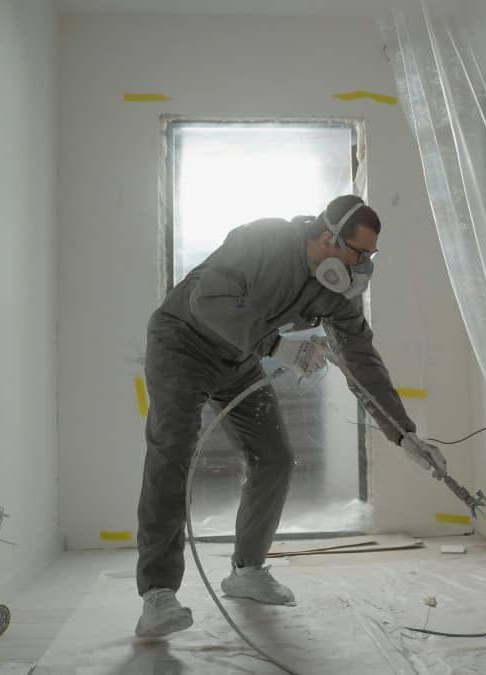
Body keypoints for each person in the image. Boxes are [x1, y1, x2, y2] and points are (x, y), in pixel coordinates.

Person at [134, 194, 447, 637]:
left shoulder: (334, 291)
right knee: (173, 453)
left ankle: (246, 572)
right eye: (359, 254)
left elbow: (362, 359)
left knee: (274, 457)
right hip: (182, 343)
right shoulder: (262, 239)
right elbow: (209, 300)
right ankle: (158, 594)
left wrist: (404, 435)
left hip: (239, 358)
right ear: (327, 237)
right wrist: (279, 347)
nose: (363, 267)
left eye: (370, 257)